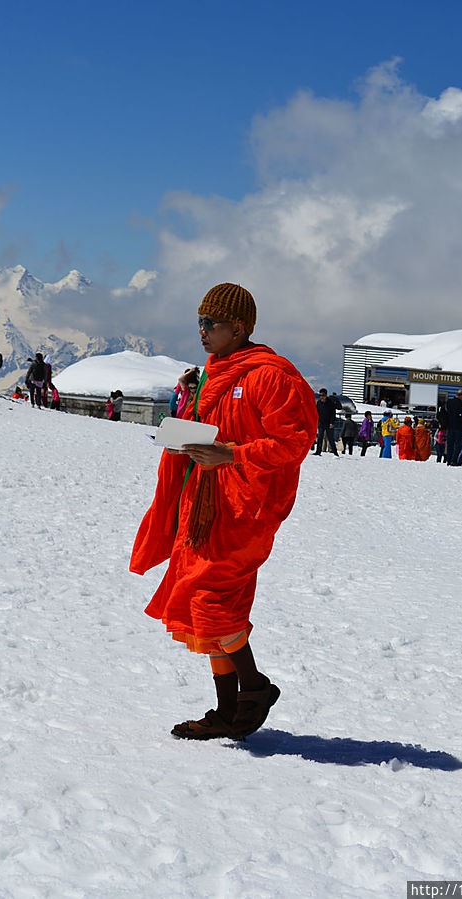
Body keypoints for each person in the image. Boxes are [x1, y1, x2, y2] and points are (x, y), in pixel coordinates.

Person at [130, 283, 317, 741]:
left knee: (209, 598)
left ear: (239, 327)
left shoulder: (271, 375)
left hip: (247, 507)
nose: (202, 331)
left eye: (210, 323)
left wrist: (230, 456)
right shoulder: (215, 373)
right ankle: (228, 710)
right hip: (207, 504)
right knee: (209, 603)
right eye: (199, 322)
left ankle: (253, 688)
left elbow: (295, 442)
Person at [313, 389, 339, 456]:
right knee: (320, 438)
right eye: (320, 395)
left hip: (328, 423)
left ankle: (335, 452)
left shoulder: (330, 403)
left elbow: (333, 414)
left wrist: (331, 423)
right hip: (321, 423)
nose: (321, 397)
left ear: (326, 395)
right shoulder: (319, 403)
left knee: (330, 438)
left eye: (323, 395)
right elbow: (316, 412)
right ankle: (318, 451)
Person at [446, 389, 462, 465]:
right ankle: (454, 460)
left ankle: (448, 459)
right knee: (458, 444)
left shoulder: (449, 402)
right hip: (460, 427)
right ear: (461, 396)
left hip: (450, 425)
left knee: (450, 444)